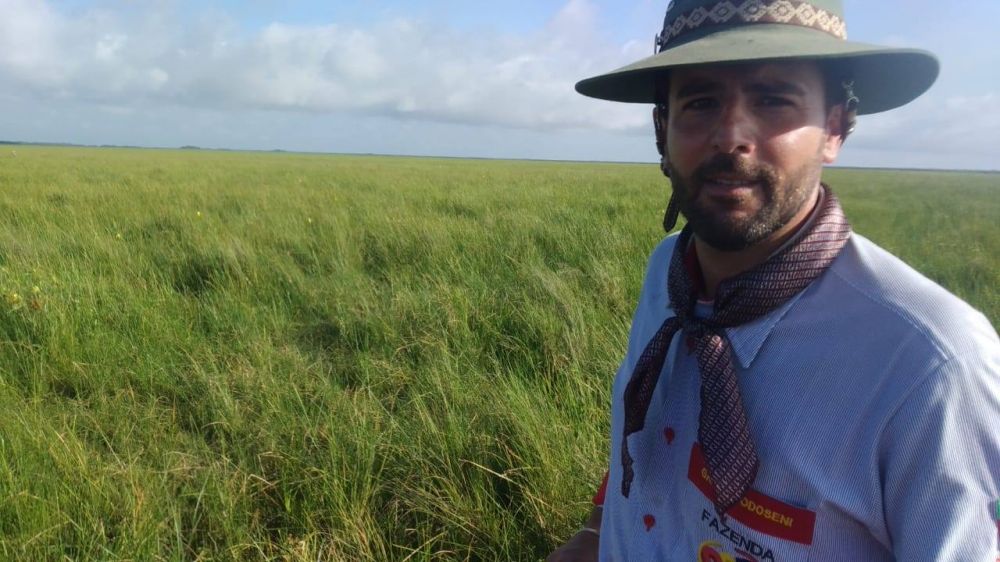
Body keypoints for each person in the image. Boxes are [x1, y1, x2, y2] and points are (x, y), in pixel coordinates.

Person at [547, 1, 1000, 560]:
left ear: (835, 127)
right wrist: (595, 534)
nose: (730, 136)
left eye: (773, 99)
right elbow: (647, 436)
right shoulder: (667, 272)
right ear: (662, 129)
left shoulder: (930, 366)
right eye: (700, 101)